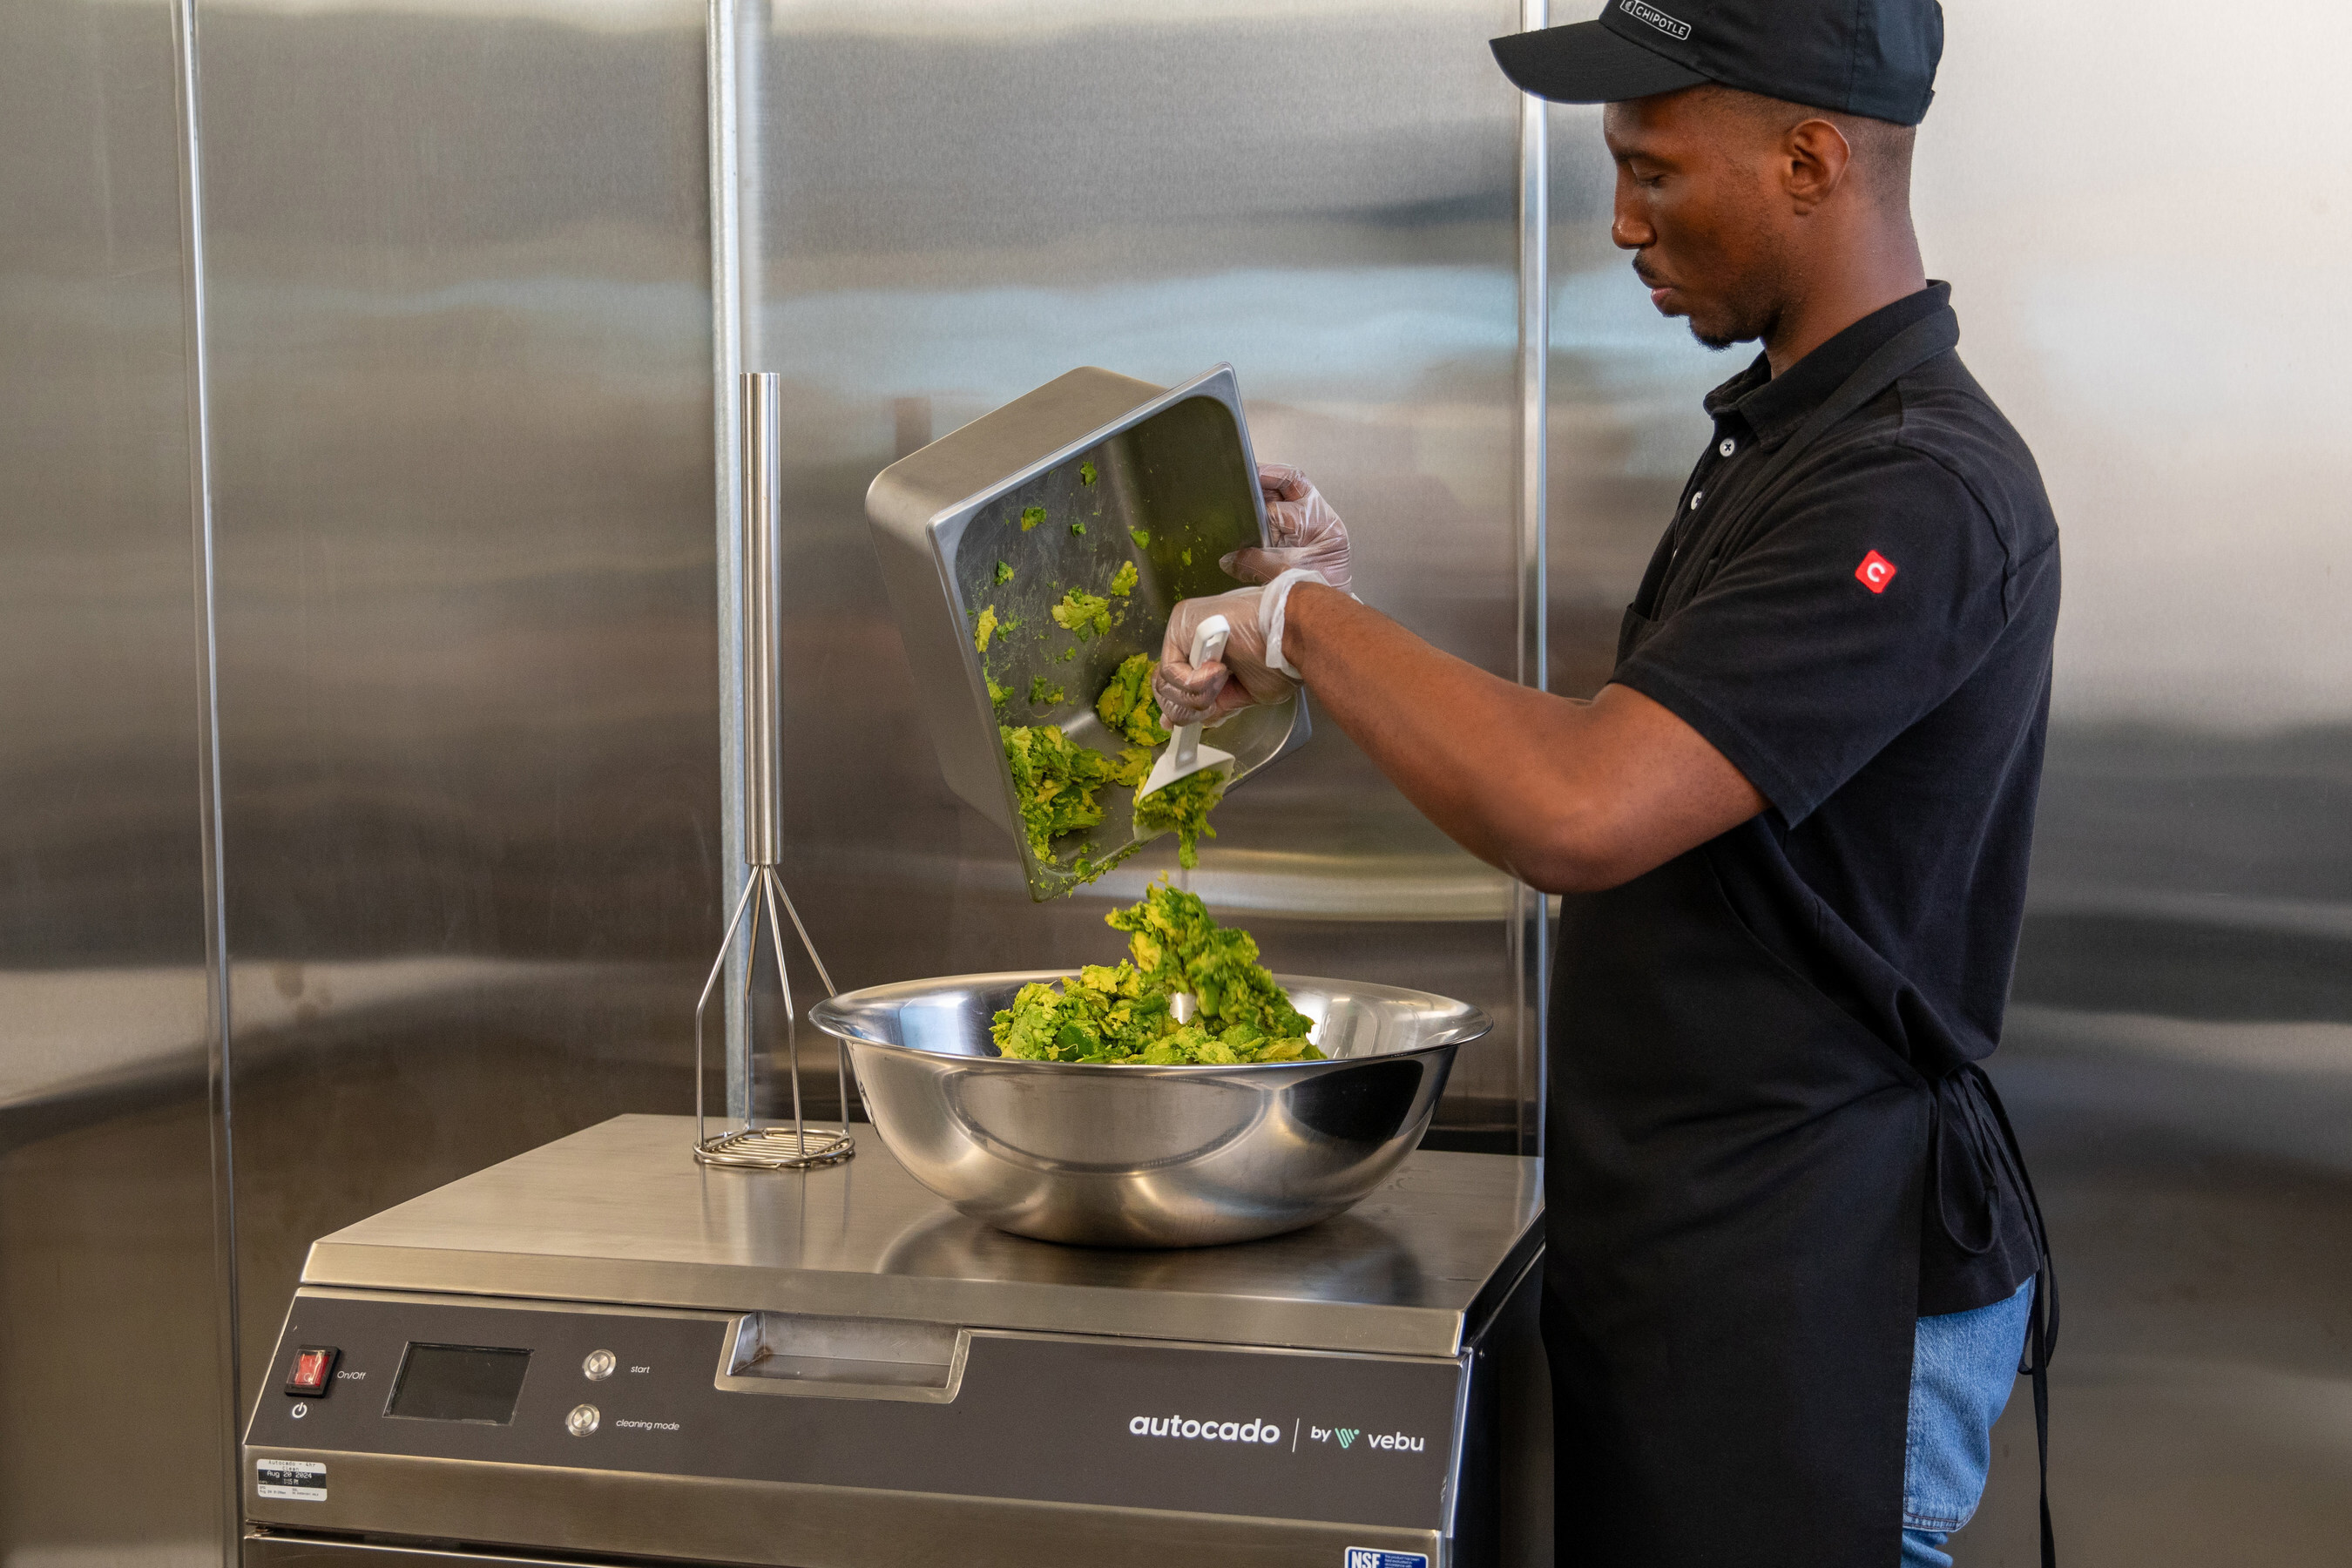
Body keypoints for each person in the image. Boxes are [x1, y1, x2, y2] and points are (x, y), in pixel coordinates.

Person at [1153, 3, 2059, 1565]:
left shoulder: (1917, 483)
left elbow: (1585, 805)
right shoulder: (1794, 440)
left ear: (1810, 156)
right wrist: (1337, 611)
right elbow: (1652, 753)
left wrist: (1310, 625)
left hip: (1822, 1298)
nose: (1624, 221)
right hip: (1710, 1263)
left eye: (1651, 169)